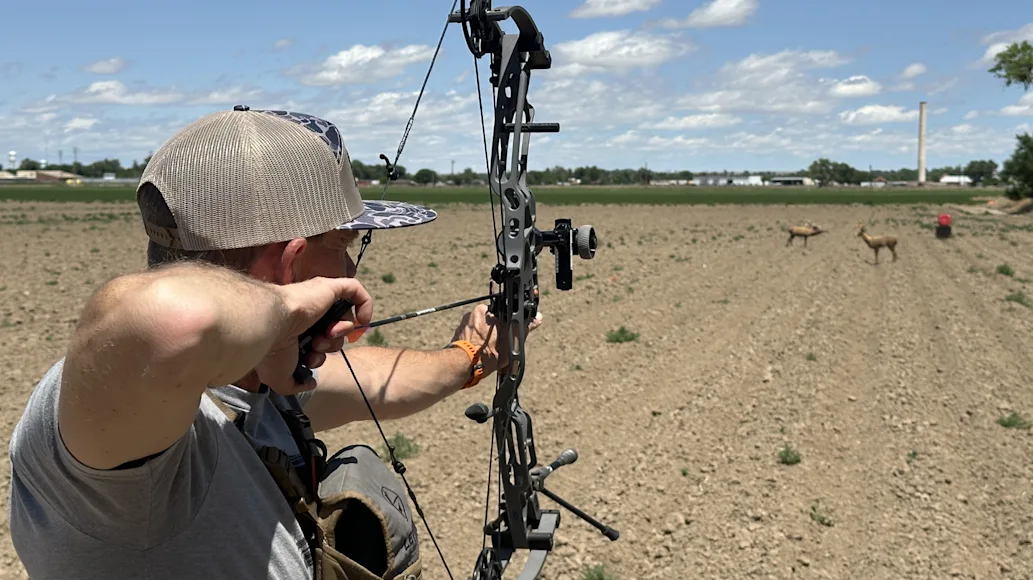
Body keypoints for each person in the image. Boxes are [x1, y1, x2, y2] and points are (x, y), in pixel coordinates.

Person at [7, 107, 542, 580]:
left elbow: (376, 382)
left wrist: (472, 354)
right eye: (342, 245)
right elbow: (167, 321)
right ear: (291, 266)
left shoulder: (254, 385)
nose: (352, 267)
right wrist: (286, 309)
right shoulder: (119, 430)